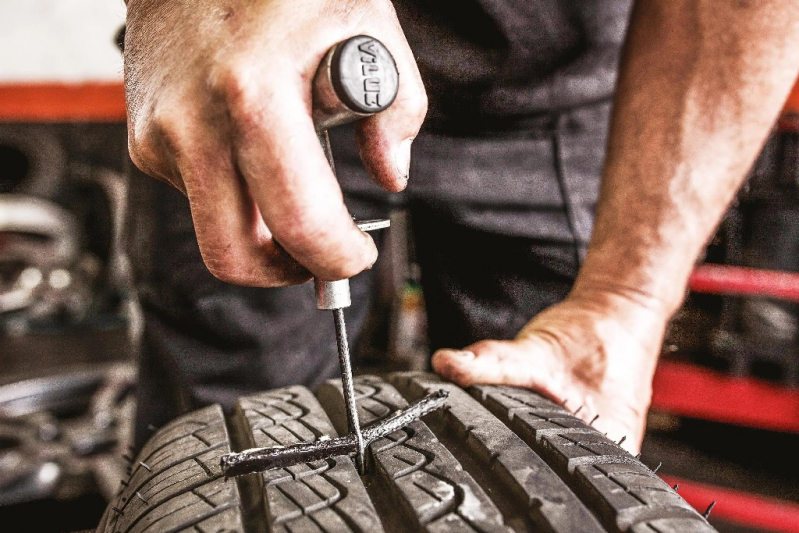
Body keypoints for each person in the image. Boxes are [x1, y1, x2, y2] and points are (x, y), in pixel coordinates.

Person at [122, 0, 799, 452]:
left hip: (561, 97)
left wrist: (626, 299)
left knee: (546, 439)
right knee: (229, 436)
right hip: (259, 68)